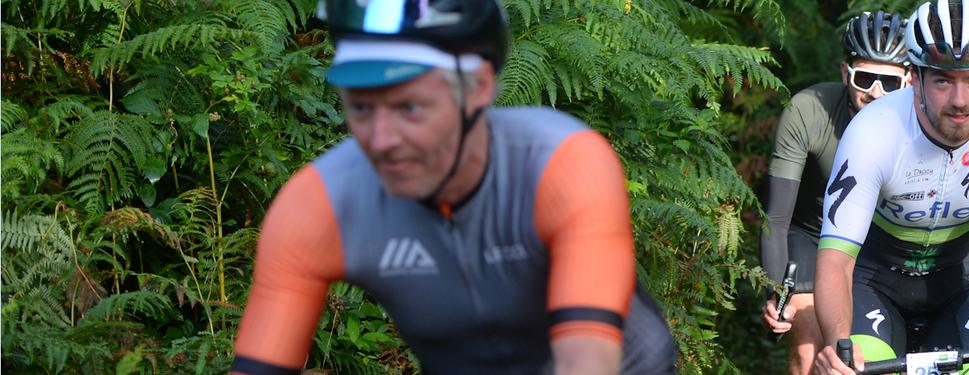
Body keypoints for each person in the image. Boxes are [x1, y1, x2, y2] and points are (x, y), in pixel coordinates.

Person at [231, 1, 675, 374]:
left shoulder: (562, 163)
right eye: (362, 108)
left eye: (409, 106)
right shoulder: (319, 204)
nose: (381, 140)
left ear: (478, 87)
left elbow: (587, 360)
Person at [810, 1, 969, 374]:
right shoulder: (872, 132)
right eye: (943, 80)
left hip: (963, 280)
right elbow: (836, 258)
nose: (960, 100)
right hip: (874, 281)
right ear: (914, 77)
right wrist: (839, 347)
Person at [759, 11, 911, 375]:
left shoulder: (925, 124)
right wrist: (776, 292)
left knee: (867, 360)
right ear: (845, 73)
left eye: (888, 82)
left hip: (883, 244)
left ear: (910, 81)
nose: (875, 92)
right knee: (809, 353)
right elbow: (777, 218)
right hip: (814, 234)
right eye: (865, 78)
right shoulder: (808, 111)